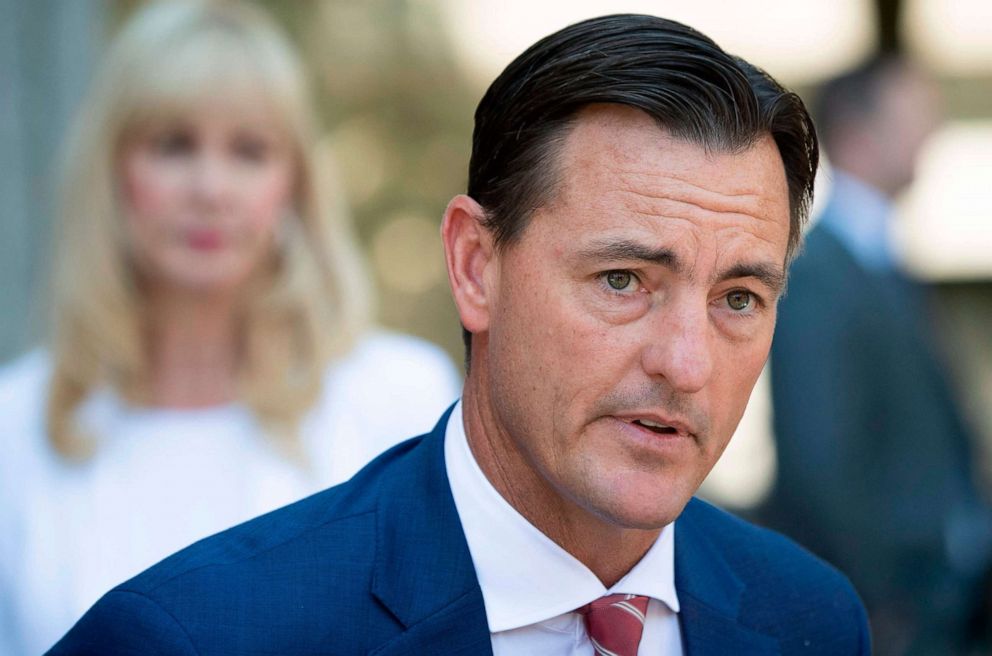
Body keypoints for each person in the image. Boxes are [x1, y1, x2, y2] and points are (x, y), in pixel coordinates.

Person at [49, 14, 870, 655]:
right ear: (476, 265)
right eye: (623, 281)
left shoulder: (812, 619)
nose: (687, 365)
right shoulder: (197, 638)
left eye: (738, 298)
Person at [0, 2, 461, 654]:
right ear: (113, 171)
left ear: (294, 184)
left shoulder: (399, 400)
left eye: (249, 151)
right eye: (173, 145)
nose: (210, 188)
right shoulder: (15, 426)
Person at [762, 55, 992, 655]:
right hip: (892, 608)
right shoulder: (818, 276)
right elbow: (820, 459)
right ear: (858, 132)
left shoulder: (885, 260)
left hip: (940, 597)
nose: (931, 131)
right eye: (914, 114)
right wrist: (880, 600)